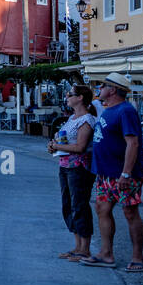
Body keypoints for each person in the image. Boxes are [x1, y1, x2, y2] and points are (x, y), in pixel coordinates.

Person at [81, 73, 143, 272]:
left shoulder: (125, 111)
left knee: (130, 212)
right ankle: (106, 253)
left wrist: (126, 173)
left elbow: (132, 143)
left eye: (102, 85)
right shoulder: (109, 110)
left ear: (112, 89)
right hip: (106, 173)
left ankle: (138, 257)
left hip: (123, 174)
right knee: (102, 209)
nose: (99, 89)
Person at [47, 85, 98, 262]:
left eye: (71, 94)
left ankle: (85, 249)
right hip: (65, 166)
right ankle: (77, 246)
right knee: (68, 205)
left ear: (81, 98)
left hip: (79, 167)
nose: (67, 97)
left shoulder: (87, 120)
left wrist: (57, 146)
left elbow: (80, 147)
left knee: (80, 205)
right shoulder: (72, 119)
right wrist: (54, 146)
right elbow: (65, 142)